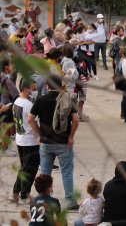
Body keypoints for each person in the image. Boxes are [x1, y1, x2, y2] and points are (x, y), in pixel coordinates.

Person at [28, 74, 80, 210]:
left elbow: (30, 119)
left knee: (45, 173)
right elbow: (75, 119)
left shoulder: (40, 99)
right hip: (63, 142)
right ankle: (69, 200)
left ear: (47, 86)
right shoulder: (67, 99)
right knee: (66, 172)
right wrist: (71, 136)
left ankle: (44, 199)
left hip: (46, 142)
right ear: (61, 85)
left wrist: (39, 134)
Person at [11, 80, 39, 204]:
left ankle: (16, 192)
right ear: (26, 89)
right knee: (30, 170)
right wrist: (39, 134)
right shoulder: (28, 105)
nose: (35, 91)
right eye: (33, 89)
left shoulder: (17, 101)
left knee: (24, 168)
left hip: (20, 139)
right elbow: (32, 121)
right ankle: (24, 195)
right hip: (29, 141)